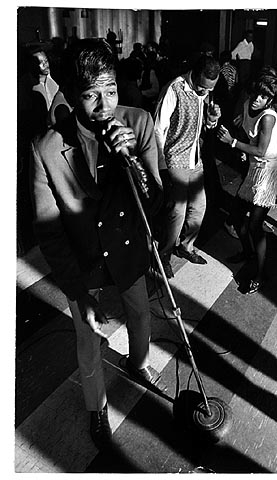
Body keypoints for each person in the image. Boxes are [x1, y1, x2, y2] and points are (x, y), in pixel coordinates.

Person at [29, 39, 166, 452]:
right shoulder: (47, 149)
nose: (104, 106)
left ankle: (139, 364)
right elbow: (50, 230)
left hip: (127, 250)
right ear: (72, 97)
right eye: (90, 95)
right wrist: (74, 290)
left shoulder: (139, 123)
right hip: (84, 258)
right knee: (87, 337)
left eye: (110, 92)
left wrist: (134, 163)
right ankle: (97, 408)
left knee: (141, 312)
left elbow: (156, 201)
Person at [217, 67, 277, 294]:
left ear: (271, 99)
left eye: (263, 97)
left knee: (254, 224)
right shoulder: (247, 105)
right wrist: (241, 135)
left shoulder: (269, 117)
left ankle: (261, 274)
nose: (256, 100)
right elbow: (249, 134)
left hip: (270, 170)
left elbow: (262, 150)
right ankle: (248, 253)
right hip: (255, 168)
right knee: (235, 217)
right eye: (255, 94)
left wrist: (233, 142)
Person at [154, 55, 221, 278]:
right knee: (177, 211)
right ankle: (163, 255)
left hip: (195, 158)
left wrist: (212, 119)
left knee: (199, 207)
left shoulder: (205, 92)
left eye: (210, 89)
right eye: (202, 87)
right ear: (194, 73)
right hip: (175, 158)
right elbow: (158, 129)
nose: (205, 92)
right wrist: (162, 166)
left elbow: (205, 126)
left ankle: (186, 246)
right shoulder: (174, 89)